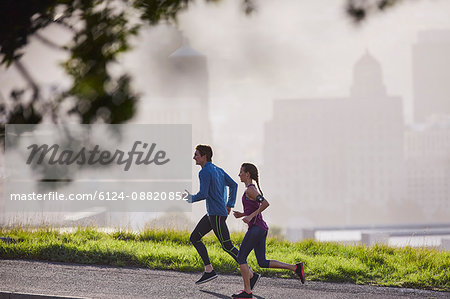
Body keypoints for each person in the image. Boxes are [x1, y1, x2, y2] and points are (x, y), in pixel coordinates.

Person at [185, 145, 260, 288]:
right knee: (194, 237)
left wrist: (191, 198)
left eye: (196, 154)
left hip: (217, 215)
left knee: (227, 246)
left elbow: (204, 194)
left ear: (204, 156)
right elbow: (233, 185)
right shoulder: (218, 170)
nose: (194, 157)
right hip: (213, 214)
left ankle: (251, 274)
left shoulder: (204, 172)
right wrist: (229, 204)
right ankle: (209, 270)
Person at [231, 163, 305, 299]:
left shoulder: (250, 190)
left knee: (241, 257)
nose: (239, 174)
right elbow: (254, 207)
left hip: (257, 228)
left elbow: (265, 203)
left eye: (241, 172)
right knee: (262, 262)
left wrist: (250, 217)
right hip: (261, 228)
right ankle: (295, 268)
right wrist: (243, 214)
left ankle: (247, 292)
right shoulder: (250, 189)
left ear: (247, 174)